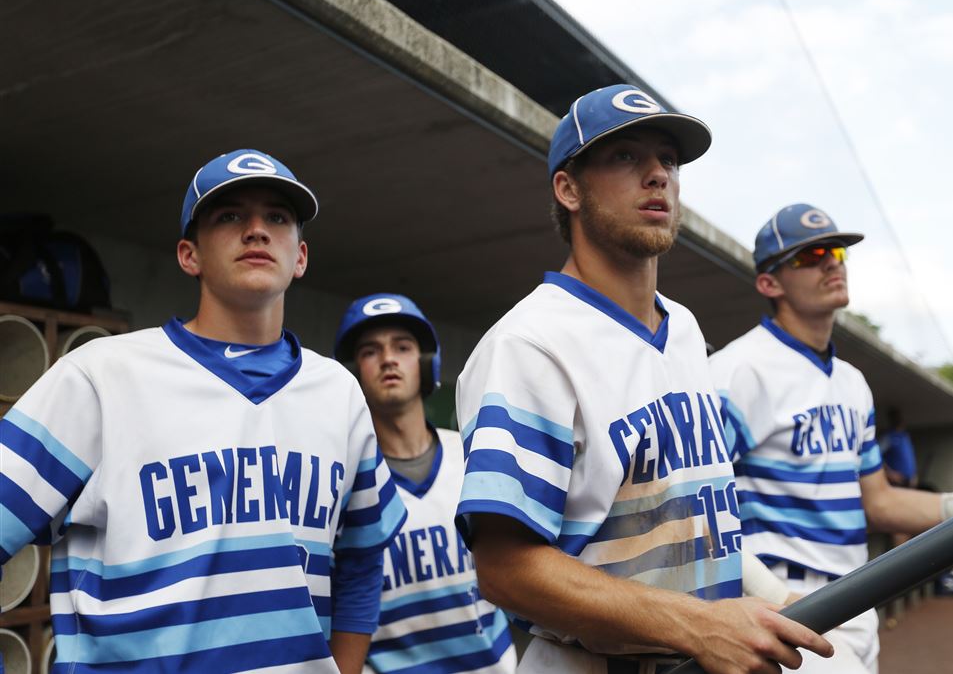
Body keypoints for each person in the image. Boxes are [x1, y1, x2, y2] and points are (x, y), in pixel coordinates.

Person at [454, 85, 833, 674]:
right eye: (626, 157)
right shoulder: (528, 343)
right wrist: (695, 624)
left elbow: (698, 510)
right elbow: (505, 567)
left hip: (708, 653)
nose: (658, 174)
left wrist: (770, 595)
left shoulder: (682, 326)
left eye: (668, 159)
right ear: (568, 188)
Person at [0, 149, 407, 673]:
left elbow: (361, 558)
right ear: (189, 254)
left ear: (300, 256)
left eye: (277, 218)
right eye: (230, 215)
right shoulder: (100, 375)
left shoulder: (340, 392)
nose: (256, 230)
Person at [710, 204, 953, 674]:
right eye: (811, 255)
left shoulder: (852, 381)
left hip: (856, 594)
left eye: (836, 252)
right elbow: (698, 509)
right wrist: (775, 599)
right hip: (782, 595)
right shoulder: (737, 371)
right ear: (769, 283)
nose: (831, 263)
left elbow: (879, 503)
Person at [333, 293, 516, 674]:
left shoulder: (474, 456)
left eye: (402, 347)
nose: (388, 359)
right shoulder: (343, 483)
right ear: (352, 373)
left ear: (427, 362)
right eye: (370, 351)